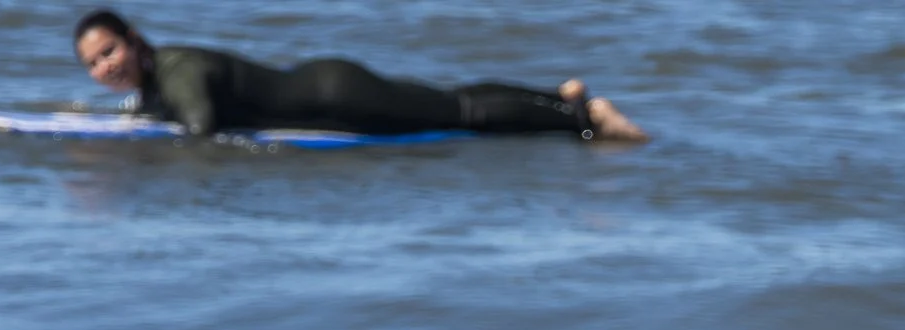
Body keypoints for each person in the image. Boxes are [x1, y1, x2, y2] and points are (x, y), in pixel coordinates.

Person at [72, 10, 647, 141]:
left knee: (459, 114)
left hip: (340, 98)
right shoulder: (159, 78)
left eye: (109, 51)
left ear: (134, 41)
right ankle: (556, 96)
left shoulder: (178, 70)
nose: (105, 67)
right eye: (94, 64)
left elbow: (199, 128)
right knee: (448, 102)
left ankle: (582, 118)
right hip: (328, 88)